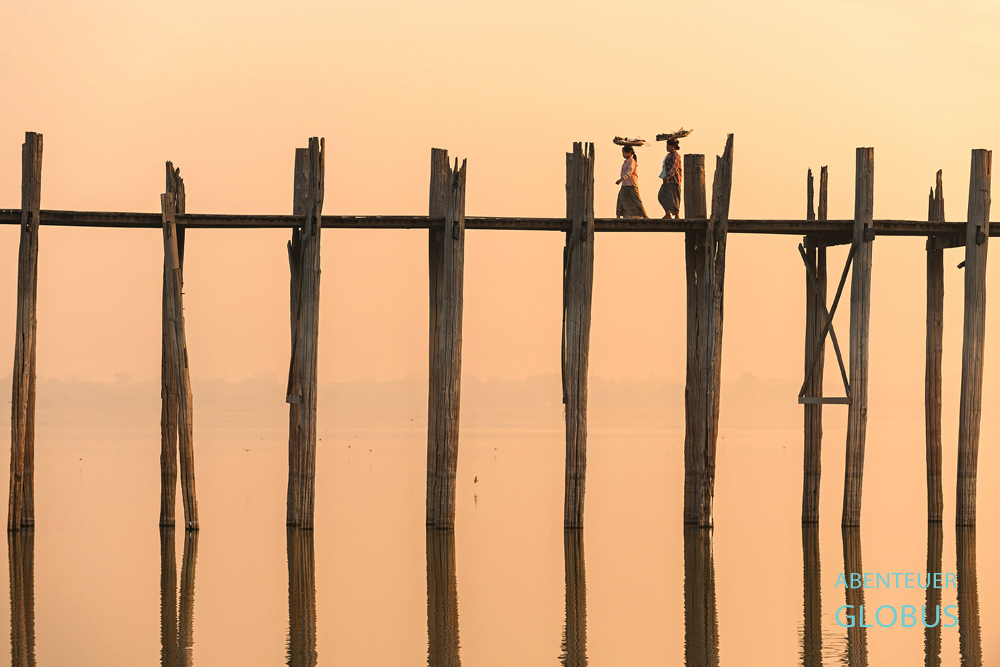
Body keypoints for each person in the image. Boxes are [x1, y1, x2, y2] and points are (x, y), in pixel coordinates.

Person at [616, 145, 648, 218]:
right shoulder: (626, 161)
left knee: (636, 199)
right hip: (625, 184)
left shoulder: (631, 161)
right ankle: (618, 215)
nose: (623, 154)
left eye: (624, 153)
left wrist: (621, 179)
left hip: (631, 184)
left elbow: (629, 172)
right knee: (620, 198)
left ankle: (645, 215)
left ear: (629, 152)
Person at [658, 139, 682, 218]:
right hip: (667, 180)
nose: (666, 147)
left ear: (673, 146)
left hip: (673, 180)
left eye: (668, 145)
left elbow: (674, 167)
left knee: (674, 197)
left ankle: (676, 214)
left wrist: (668, 176)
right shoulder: (669, 155)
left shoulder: (675, 155)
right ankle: (668, 213)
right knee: (662, 196)